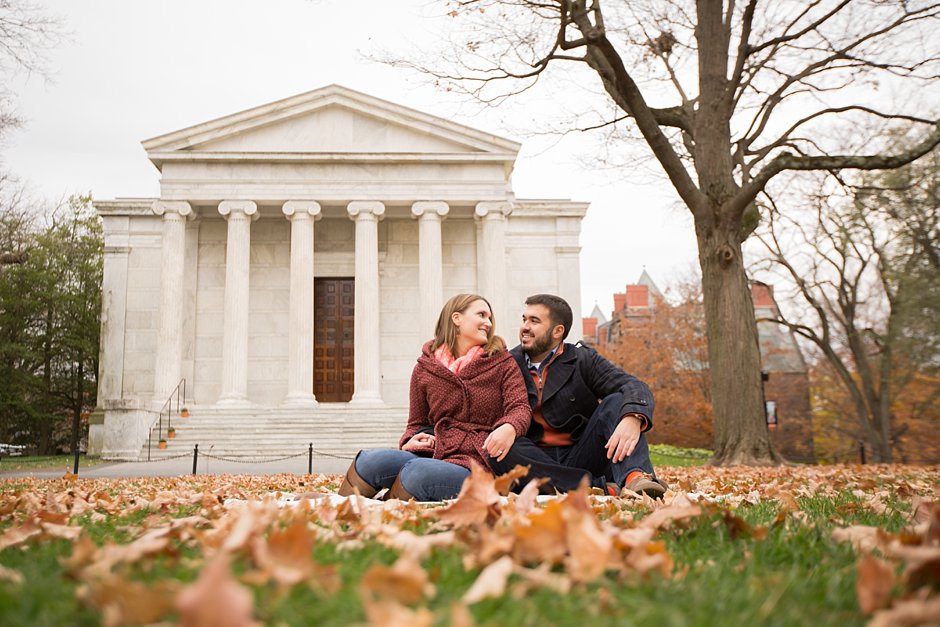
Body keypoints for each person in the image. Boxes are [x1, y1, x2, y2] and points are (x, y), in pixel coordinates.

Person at [338, 293, 531, 501]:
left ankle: (385, 509)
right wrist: (411, 440)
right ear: (457, 319)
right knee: (370, 461)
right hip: (435, 451)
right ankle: (340, 510)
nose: (488, 323)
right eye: (482, 315)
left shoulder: (502, 362)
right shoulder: (425, 368)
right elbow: (416, 423)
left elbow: (520, 407)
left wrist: (509, 427)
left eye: (490, 318)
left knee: (417, 471)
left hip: (478, 460)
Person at [490, 294, 667, 498]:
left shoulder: (582, 359)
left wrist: (633, 417)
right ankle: (601, 487)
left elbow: (633, 385)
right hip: (535, 460)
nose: (525, 327)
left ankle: (636, 477)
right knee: (499, 447)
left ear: (558, 331)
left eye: (534, 321)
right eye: (524, 319)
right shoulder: (508, 363)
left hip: (584, 453)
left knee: (617, 401)